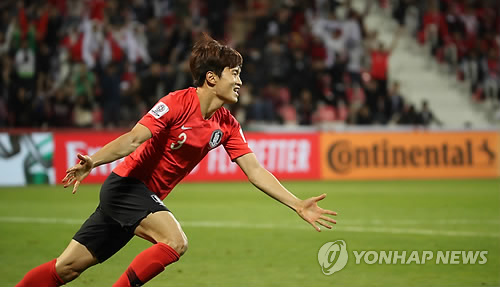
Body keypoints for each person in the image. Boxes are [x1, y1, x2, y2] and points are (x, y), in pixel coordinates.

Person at [15, 34, 337, 287]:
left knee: (66, 268)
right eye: (235, 74)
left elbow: (254, 170)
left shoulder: (226, 124)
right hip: (127, 188)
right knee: (175, 241)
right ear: (211, 78)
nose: (240, 81)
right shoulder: (175, 104)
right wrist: (93, 162)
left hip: (137, 200)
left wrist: (297, 204)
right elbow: (133, 139)